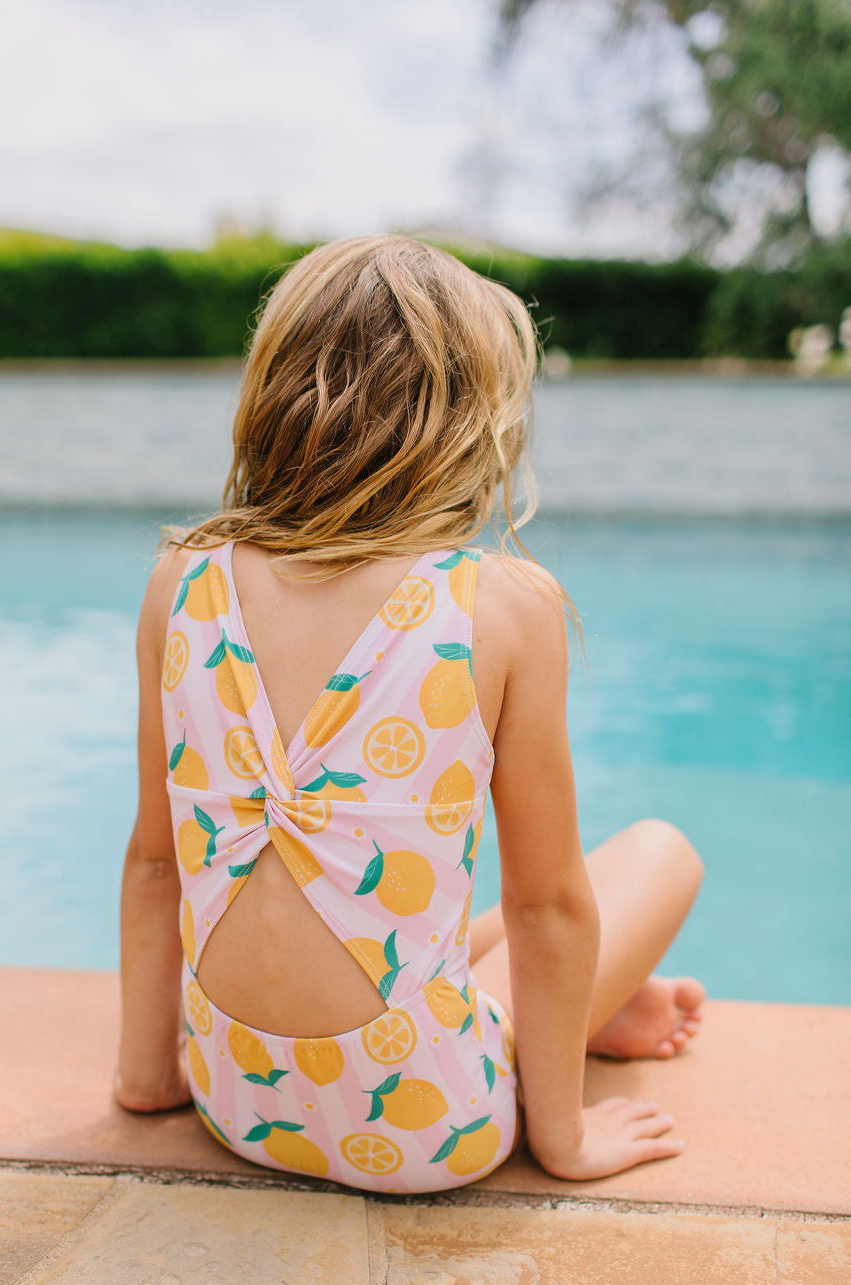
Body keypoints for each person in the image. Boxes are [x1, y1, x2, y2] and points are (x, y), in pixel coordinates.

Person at [114, 234, 705, 1192]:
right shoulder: (500, 605)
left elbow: (154, 863)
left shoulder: (180, 581)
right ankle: (580, 1018)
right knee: (661, 851)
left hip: (238, 1103)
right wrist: (562, 1139)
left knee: (399, 919)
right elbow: (547, 907)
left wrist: (149, 1078)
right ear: (474, 418)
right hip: (427, 1132)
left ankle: (596, 1007)